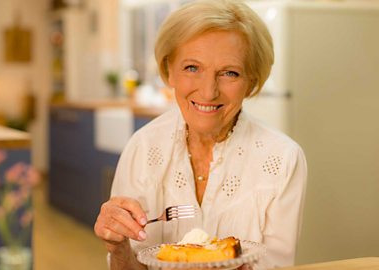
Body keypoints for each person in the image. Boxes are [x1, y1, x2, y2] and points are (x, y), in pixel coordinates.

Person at [94, 0, 307, 269]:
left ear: (251, 82)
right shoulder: (143, 147)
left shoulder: (283, 159)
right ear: (169, 70)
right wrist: (118, 246)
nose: (208, 92)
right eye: (192, 68)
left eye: (230, 73)